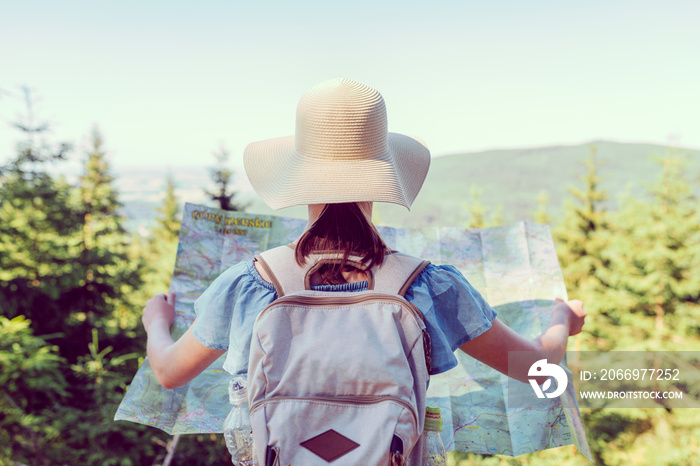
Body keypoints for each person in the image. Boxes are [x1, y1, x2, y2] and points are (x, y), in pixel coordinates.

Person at [142, 78, 586, 393]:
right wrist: (562, 319)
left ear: (297, 177)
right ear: (386, 172)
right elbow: (538, 367)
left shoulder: (249, 285)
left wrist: (156, 323)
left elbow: (168, 372)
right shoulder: (429, 287)